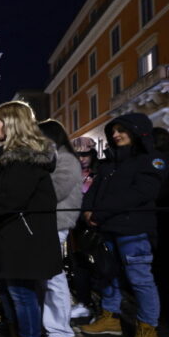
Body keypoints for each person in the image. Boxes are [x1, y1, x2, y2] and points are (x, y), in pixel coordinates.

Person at [0, 101, 62, 337]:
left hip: (25, 237)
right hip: (14, 235)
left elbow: (9, 200)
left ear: (11, 125)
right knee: (11, 292)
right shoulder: (13, 159)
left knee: (22, 294)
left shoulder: (23, 161)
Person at [80, 113, 167, 337]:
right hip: (108, 229)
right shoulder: (110, 163)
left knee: (141, 281)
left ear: (138, 131)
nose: (116, 135)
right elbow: (94, 190)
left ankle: (149, 332)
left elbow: (140, 194)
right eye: (114, 131)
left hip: (135, 231)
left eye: (122, 130)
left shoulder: (152, 160)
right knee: (108, 275)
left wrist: (99, 213)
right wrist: (87, 209)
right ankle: (110, 318)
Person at [38, 120, 82, 337]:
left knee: (54, 278)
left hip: (57, 222)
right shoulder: (57, 159)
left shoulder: (66, 160)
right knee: (50, 277)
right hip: (51, 223)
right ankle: (56, 329)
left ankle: (61, 333)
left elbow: (55, 191)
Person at [68, 136, 100, 319]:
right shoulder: (70, 173)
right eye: (78, 155)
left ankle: (106, 310)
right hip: (76, 225)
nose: (81, 158)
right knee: (79, 265)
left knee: (102, 267)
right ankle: (84, 302)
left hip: (95, 224)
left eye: (85, 154)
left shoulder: (100, 171)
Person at [152, 127, 169, 327]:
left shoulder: (163, 159)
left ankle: (166, 311)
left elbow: (160, 189)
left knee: (164, 266)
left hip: (165, 218)